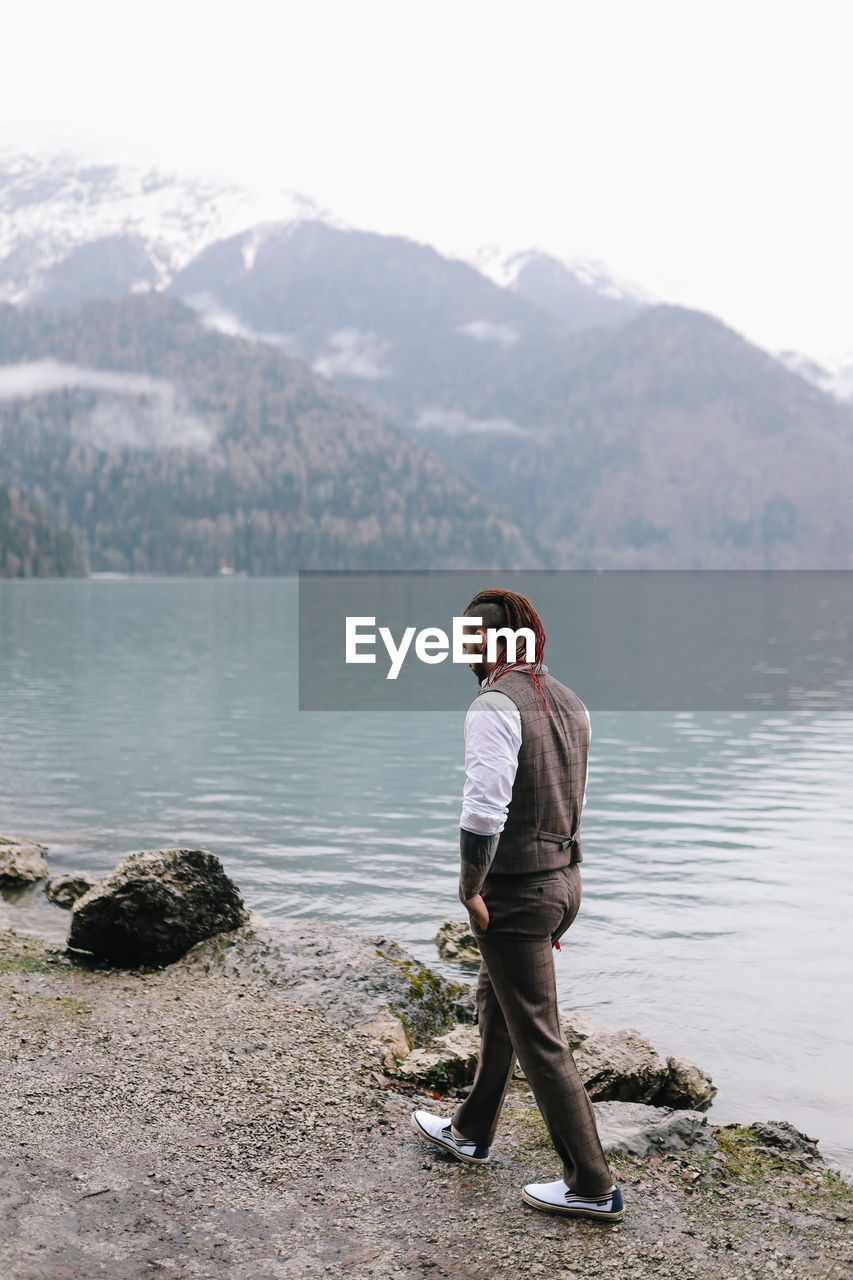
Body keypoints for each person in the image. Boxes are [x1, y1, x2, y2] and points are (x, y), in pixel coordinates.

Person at [411, 588, 623, 1222]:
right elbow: (566, 794)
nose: (465, 646)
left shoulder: (493, 706)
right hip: (565, 880)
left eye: (475, 636)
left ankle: (591, 1182)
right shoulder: (571, 702)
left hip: (517, 890)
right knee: (495, 999)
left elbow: (484, 809)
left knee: (539, 1035)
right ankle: (472, 1129)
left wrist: (469, 888)